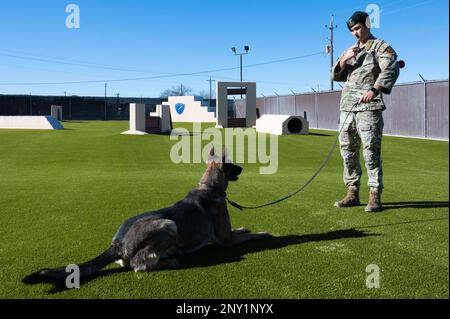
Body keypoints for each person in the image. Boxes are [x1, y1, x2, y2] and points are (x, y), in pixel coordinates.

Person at [332, 11, 400, 212]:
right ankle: (352, 193)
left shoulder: (380, 47)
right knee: (348, 152)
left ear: (367, 25)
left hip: (368, 109)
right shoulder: (350, 50)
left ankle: (374, 195)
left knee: (370, 152)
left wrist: (374, 89)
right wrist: (344, 60)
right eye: (352, 30)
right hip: (347, 108)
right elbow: (335, 75)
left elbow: (391, 68)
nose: (355, 33)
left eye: (358, 28)